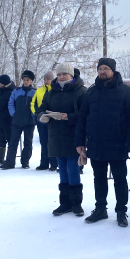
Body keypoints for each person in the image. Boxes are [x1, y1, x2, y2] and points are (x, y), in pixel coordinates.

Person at [75, 57, 130, 227]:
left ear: (113, 70)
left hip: (118, 143)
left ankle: (121, 211)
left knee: (120, 179)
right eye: (100, 69)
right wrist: (80, 141)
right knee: (99, 178)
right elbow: (82, 118)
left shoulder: (125, 91)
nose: (102, 72)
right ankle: (101, 209)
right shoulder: (91, 92)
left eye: (106, 68)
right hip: (96, 143)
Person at [38, 64, 87, 217]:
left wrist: (68, 117)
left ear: (71, 75)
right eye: (59, 74)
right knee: (62, 170)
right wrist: (41, 116)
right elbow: (42, 108)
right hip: (56, 135)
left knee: (73, 169)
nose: (62, 77)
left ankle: (76, 203)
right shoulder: (51, 92)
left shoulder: (81, 91)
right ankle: (64, 203)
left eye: (65, 74)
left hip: (73, 135)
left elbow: (85, 114)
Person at [1, 70, 37, 170]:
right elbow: (11, 103)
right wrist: (14, 113)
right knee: (13, 142)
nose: (25, 82)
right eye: (24, 80)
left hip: (29, 122)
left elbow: (36, 105)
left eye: (28, 80)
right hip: (17, 121)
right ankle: (9, 162)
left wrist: (33, 116)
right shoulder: (16, 91)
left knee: (28, 142)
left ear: (31, 81)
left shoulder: (34, 92)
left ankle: (25, 162)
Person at [32, 71, 57, 171]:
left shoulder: (55, 90)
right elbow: (33, 103)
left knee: (52, 142)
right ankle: (44, 163)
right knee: (44, 141)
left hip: (52, 119)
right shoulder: (39, 90)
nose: (46, 81)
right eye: (45, 79)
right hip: (41, 119)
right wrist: (37, 114)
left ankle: (54, 163)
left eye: (48, 79)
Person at [0, 75, 15, 165]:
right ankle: (0, 158)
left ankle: (9, 159)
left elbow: (6, 106)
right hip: (2, 119)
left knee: (9, 138)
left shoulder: (10, 92)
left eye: (0, 82)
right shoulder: (3, 91)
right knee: (1, 138)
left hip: (8, 119)